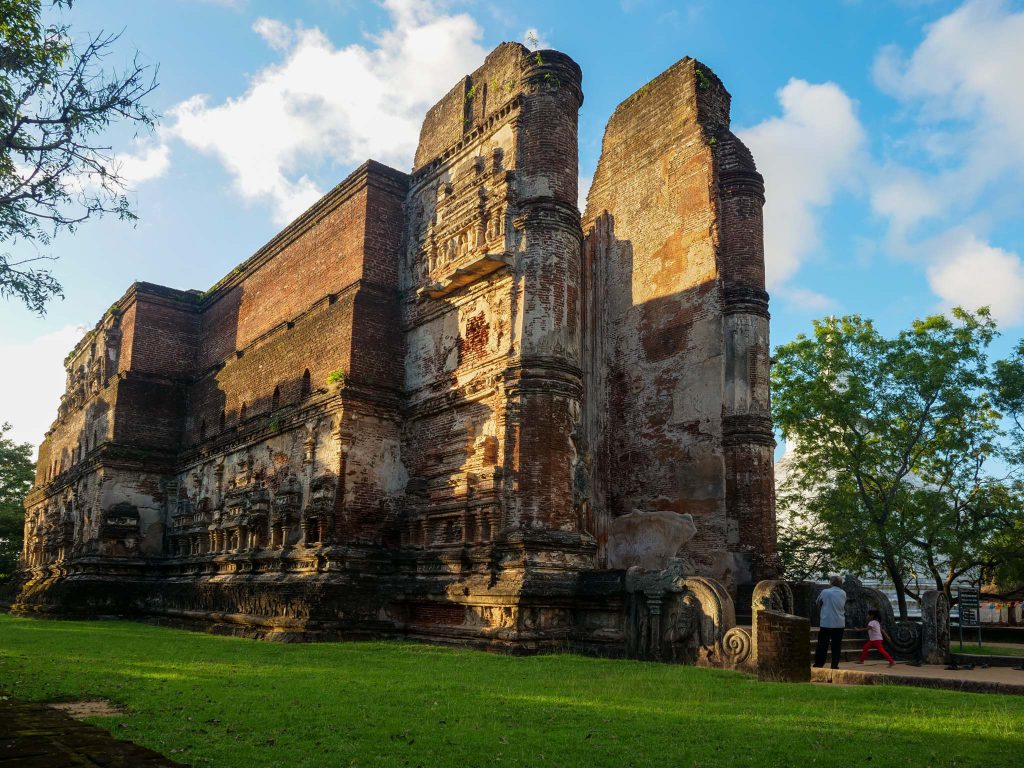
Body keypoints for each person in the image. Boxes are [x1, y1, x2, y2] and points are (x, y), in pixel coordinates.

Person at [813, 575, 847, 669]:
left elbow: (818, 603)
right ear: (841, 583)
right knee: (837, 645)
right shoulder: (843, 593)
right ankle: (834, 665)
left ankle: (819, 664)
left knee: (822, 644)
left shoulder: (825, 592)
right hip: (840, 623)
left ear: (831, 582)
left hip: (826, 622)